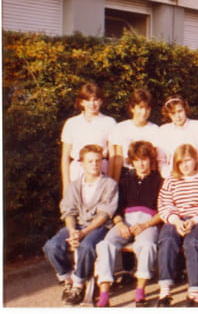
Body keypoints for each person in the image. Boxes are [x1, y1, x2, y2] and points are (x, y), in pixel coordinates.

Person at [44, 145, 118, 306]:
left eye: (97, 161)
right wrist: (72, 231)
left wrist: (84, 233)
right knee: (52, 246)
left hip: (98, 227)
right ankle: (68, 278)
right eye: (90, 161)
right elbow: (69, 211)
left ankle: (78, 284)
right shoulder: (74, 185)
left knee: (86, 246)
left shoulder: (110, 184)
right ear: (82, 164)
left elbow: (105, 214)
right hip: (76, 226)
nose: (94, 164)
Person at [95, 141, 163, 307]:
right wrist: (119, 224)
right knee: (105, 244)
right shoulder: (125, 181)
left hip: (148, 222)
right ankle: (104, 294)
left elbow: (163, 211)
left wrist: (145, 225)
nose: (141, 164)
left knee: (147, 245)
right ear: (132, 161)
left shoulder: (159, 181)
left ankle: (140, 292)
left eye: (144, 159)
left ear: (150, 160)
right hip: (125, 221)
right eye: (137, 160)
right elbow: (117, 209)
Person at [156, 144, 198, 307]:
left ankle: (195, 292)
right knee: (167, 240)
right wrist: (176, 221)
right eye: (180, 162)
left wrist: (193, 220)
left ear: (196, 160)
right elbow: (164, 204)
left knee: (193, 242)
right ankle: (165, 291)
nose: (185, 165)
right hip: (176, 219)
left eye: (188, 160)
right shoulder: (171, 181)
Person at [60, 82, 116, 194]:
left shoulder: (109, 122)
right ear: (81, 102)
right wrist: (66, 184)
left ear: (101, 101)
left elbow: (113, 155)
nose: (92, 104)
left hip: (101, 169)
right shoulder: (71, 123)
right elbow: (65, 156)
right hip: (77, 171)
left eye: (95, 100)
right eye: (88, 100)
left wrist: (109, 181)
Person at [156, 96, 198, 179]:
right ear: (168, 114)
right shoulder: (163, 131)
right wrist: (169, 177)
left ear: (185, 110)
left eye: (180, 111)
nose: (177, 116)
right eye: (173, 113)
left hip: (197, 177)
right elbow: (161, 160)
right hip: (174, 178)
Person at [109, 88, 159, 182]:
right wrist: (115, 182)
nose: (144, 112)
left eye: (147, 108)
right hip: (126, 174)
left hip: (146, 175)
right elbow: (118, 158)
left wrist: (152, 181)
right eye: (140, 107)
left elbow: (153, 161)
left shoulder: (155, 129)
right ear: (132, 108)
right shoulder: (121, 128)